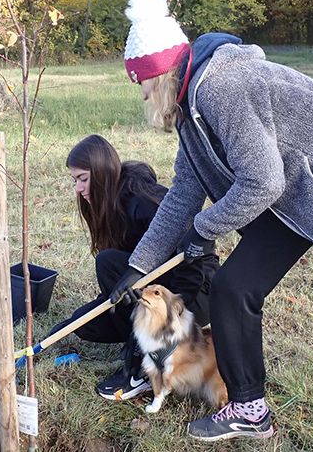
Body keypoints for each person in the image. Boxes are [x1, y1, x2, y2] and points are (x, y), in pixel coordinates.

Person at [111, 0, 313, 452]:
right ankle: (248, 409)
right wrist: (138, 268)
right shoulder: (191, 112)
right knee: (234, 286)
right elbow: (184, 193)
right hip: (296, 193)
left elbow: (262, 182)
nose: (140, 92)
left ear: (159, 74)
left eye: (139, 82)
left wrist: (204, 230)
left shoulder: (219, 89)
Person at [51, 134, 219, 401]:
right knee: (84, 324)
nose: (78, 189)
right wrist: (73, 322)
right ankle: (139, 342)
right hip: (157, 288)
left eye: (83, 179)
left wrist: (171, 316)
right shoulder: (112, 203)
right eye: (75, 181)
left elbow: (192, 260)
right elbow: (124, 279)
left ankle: (143, 367)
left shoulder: (142, 203)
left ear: (102, 174)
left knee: (107, 261)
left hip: (195, 292)